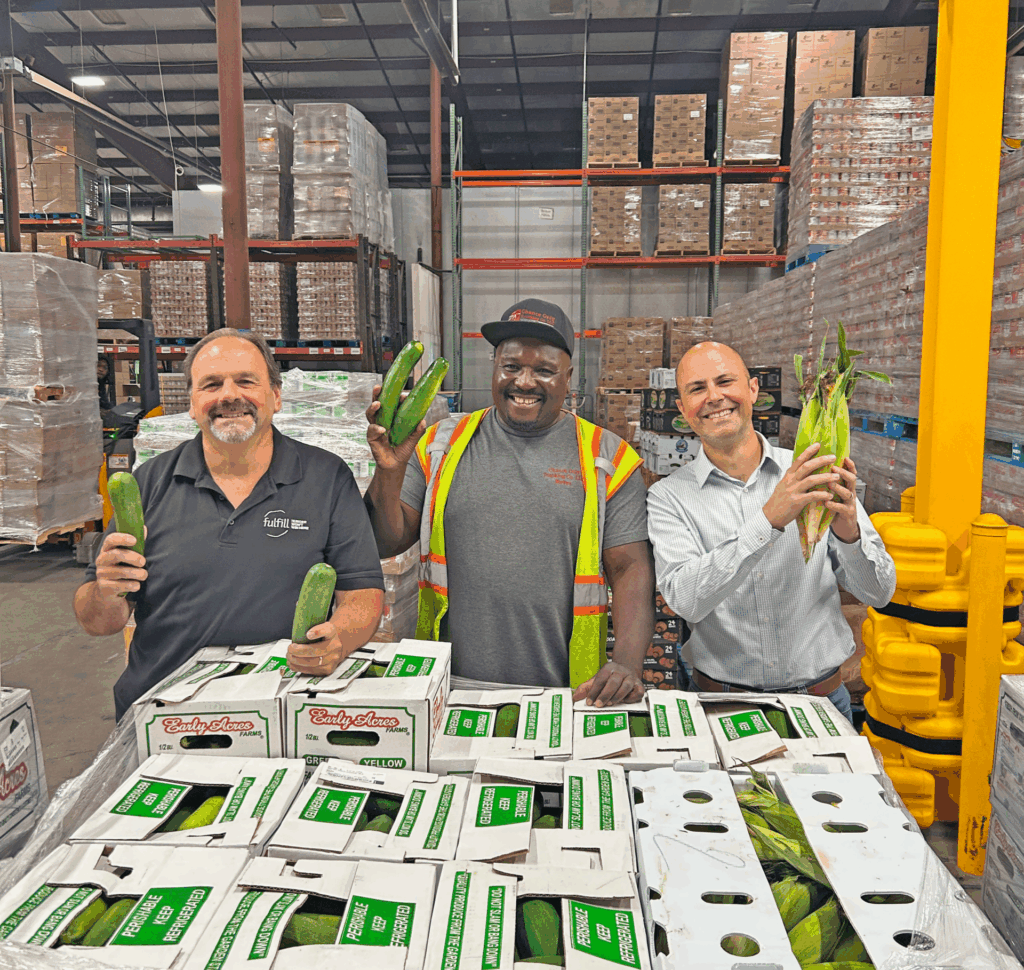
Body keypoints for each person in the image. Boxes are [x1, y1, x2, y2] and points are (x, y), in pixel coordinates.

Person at [74, 329, 385, 720]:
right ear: (192, 403)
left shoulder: (326, 477)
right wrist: (105, 591)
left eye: (246, 381)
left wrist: (337, 640)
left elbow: (363, 594)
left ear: (276, 395)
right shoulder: (147, 483)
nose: (228, 395)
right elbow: (98, 621)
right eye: (211, 384)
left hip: (282, 710)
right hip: (160, 708)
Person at [364, 299, 654, 706]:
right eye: (512, 366)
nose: (525, 381)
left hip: (569, 694)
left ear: (568, 379)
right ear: (495, 368)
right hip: (447, 688)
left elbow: (629, 568)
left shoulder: (608, 459)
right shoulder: (440, 444)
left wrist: (626, 663)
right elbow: (386, 542)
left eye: (544, 371)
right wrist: (390, 471)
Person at [646, 341, 896, 721]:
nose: (714, 397)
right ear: (682, 410)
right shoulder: (668, 497)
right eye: (697, 389)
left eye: (725, 381)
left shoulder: (811, 470)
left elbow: (878, 593)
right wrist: (769, 520)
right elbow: (685, 599)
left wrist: (849, 532)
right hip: (721, 707)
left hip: (823, 705)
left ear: (752, 390)